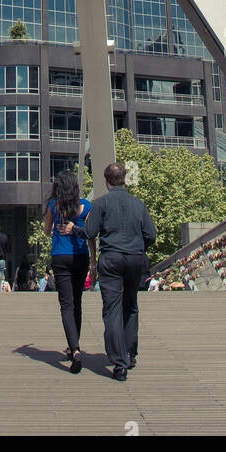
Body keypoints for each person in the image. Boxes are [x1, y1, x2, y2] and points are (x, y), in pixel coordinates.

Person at [69, 160, 155, 382]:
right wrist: (138, 248)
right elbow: (151, 235)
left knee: (112, 310)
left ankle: (119, 363)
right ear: (124, 179)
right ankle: (130, 353)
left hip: (111, 259)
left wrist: (72, 229)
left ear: (106, 181)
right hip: (135, 259)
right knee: (131, 305)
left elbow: (89, 233)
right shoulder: (139, 204)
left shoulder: (101, 203)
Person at [44, 170, 94, 374]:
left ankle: (74, 349)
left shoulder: (53, 206)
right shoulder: (86, 206)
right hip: (81, 256)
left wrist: (56, 225)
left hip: (60, 256)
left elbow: (46, 231)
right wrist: (94, 261)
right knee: (77, 302)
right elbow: (90, 235)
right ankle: (75, 345)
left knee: (66, 304)